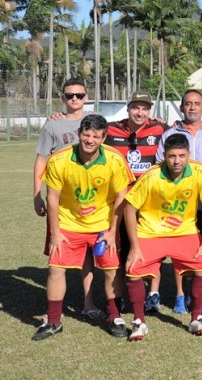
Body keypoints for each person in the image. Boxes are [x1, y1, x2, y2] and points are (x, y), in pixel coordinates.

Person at [32, 114, 134, 340]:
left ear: (104, 138)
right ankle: (54, 320)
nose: (90, 140)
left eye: (96, 136)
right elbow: (53, 198)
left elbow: (121, 195)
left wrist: (112, 231)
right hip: (69, 224)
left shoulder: (115, 159)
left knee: (111, 270)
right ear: (79, 133)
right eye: (86, 134)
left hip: (102, 224)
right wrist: (56, 233)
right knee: (55, 269)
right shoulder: (60, 159)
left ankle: (115, 316)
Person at [124, 133, 202, 340]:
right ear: (164, 155)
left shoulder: (199, 171)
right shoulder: (151, 175)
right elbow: (129, 208)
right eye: (172, 156)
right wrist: (134, 246)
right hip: (151, 232)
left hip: (184, 232)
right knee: (133, 269)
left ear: (188, 154)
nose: (177, 161)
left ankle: (197, 318)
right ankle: (139, 322)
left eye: (182, 156)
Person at [157, 89, 202, 314]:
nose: (192, 107)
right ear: (181, 107)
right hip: (179, 203)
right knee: (181, 250)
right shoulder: (170, 133)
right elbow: (161, 163)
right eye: (188, 103)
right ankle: (181, 295)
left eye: (196, 103)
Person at [33, 78, 101, 320]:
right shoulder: (52, 125)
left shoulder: (94, 122)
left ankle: (89, 302)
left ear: (86, 97)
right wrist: (36, 194)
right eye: (70, 95)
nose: (75, 99)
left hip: (90, 201)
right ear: (62, 97)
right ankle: (54, 314)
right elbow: (41, 159)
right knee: (57, 254)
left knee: (88, 257)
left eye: (79, 95)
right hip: (60, 201)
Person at [103, 90, 168, 313]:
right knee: (120, 250)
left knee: (151, 247)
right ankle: (119, 296)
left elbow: (184, 129)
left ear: (150, 111)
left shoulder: (160, 128)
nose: (139, 112)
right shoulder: (111, 129)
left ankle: (153, 295)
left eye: (144, 108)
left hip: (149, 200)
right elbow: (87, 131)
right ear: (128, 108)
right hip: (120, 201)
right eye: (135, 107)